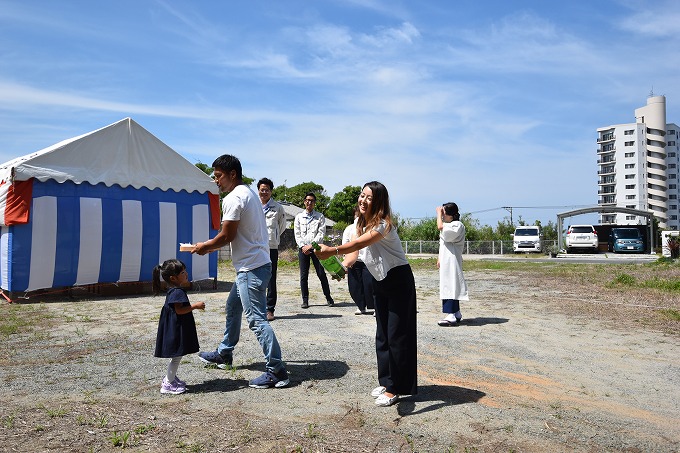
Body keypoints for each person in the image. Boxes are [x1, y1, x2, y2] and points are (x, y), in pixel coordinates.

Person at [315, 181, 417, 407]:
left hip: (399, 279)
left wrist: (333, 249)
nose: (363, 200)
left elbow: (363, 242)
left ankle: (395, 389)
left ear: (378, 202)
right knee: (382, 334)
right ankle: (387, 380)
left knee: (396, 335)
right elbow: (354, 255)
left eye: (369, 198)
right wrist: (337, 266)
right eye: (362, 195)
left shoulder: (384, 225)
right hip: (380, 280)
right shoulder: (359, 225)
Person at [193, 154, 289, 389]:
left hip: (250, 268)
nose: (216, 181)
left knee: (256, 319)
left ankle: (276, 370)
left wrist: (205, 247)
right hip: (257, 264)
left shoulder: (234, 198)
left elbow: (227, 235)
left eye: (218, 176)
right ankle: (224, 353)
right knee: (233, 307)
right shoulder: (250, 194)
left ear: (232, 174)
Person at [153, 259, 205, 395]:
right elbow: (179, 310)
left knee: (176, 356)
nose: (186, 274)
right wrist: (195, 306)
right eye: (182, 272)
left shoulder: (174, 290)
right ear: (173, 278)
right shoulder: (177, 292)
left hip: (174, 328)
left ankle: (171, 377)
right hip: (176, 330)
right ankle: (168, 384)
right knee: (177, 357)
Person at [294, 192, 334, 308]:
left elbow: (321, 234)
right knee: (303, 276)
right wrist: (303, 246)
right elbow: (297, 234)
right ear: (304, 202)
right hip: (303, 249)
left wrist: (311, 246)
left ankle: (328, 297)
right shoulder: (298, 217)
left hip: (316, 248)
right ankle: (305, 300)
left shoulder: (320, 217)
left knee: (321, 274)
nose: (309, 202)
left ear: (314, 203)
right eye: (307, 200)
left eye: (312, 200)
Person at [257, 177, 288, 321]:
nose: (264, 192)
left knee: (271, 278)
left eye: (267, 190)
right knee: (256, 278)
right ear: (258, 190)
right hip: (256, 247)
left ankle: (270, 309)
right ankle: (257, 308)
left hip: (271, 247)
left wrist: (273, 237)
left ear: (271, 191)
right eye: (262, 190)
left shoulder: (278, 207)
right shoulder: (254, 205)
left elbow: (282, 226)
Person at [436, 203, 469, 326]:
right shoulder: (451, 225)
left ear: (451, 214)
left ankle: (450, 314)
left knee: (450, 286)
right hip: (447, 260)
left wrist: (438, 215)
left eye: (444, 213)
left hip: (452, 260)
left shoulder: (457, 225)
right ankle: (456, 312)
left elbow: (441, 228)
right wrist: (439, 258)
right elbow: (443, 243)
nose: (443, 216)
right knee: (449, 284)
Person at [342, 205, 375, 315]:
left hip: (367, 260)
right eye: (357, 215)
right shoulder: (349, 228)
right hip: (354, 261)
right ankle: (360, 306)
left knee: (369, 284)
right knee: (354, 285)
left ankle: (374, 306)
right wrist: (347, 260)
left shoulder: (371, 227)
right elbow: (346, 244)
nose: (358, 218)